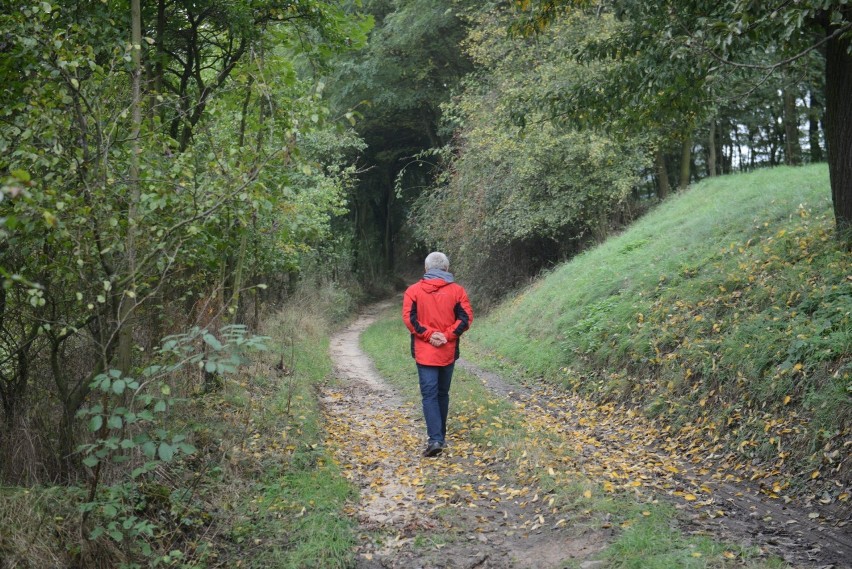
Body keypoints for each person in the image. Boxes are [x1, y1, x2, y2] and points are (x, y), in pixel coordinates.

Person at [402, 252, 473, 457]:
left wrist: (429, 335)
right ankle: (439, 437)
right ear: (446, 269)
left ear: (426, 269)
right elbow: (466, 318)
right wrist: (446, 336)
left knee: (430, 395)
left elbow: (409, 319)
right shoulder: (457, 291)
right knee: (442, 394)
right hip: (447, 351)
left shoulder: (413, 291)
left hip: (425, 353)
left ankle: (436, 439)